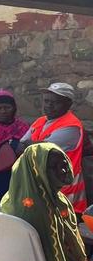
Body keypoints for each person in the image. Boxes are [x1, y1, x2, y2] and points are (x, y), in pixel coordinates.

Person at [19, 82, 87, 215]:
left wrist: (31, 145)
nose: (49, 105)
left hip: (64, 195)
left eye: (56, 102)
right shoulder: (41, 121)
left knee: (60, 233)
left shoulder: (71, 126)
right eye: (47, 101)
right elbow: (20, 147)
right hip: (43, 190)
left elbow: (40, 150)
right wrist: (32, 145)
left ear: (68, 104)